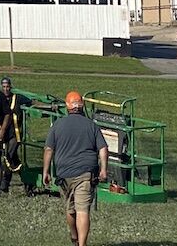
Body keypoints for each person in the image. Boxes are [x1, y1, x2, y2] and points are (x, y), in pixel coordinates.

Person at [42, 91, 109, 246]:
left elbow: (48, 149)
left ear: (67, 106)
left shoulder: (57, 124)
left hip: (64, 174)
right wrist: (103, 169)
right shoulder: (91, 125)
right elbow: (103, 148)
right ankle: (79, 241)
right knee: (82, 210)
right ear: (82, 106)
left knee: (70, 209)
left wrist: (45, 172)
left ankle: (76, 239)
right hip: (86, 173)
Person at [0, 76, 23, 194]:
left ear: (11, 87)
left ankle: (4, 184)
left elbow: (32, 102)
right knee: (14, 159)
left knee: (8, 156)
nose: (6, 89)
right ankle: (26, 178)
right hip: (3, 133)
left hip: (15, 134)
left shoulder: (17, 98)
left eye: (8, 87)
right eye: (4, 87)